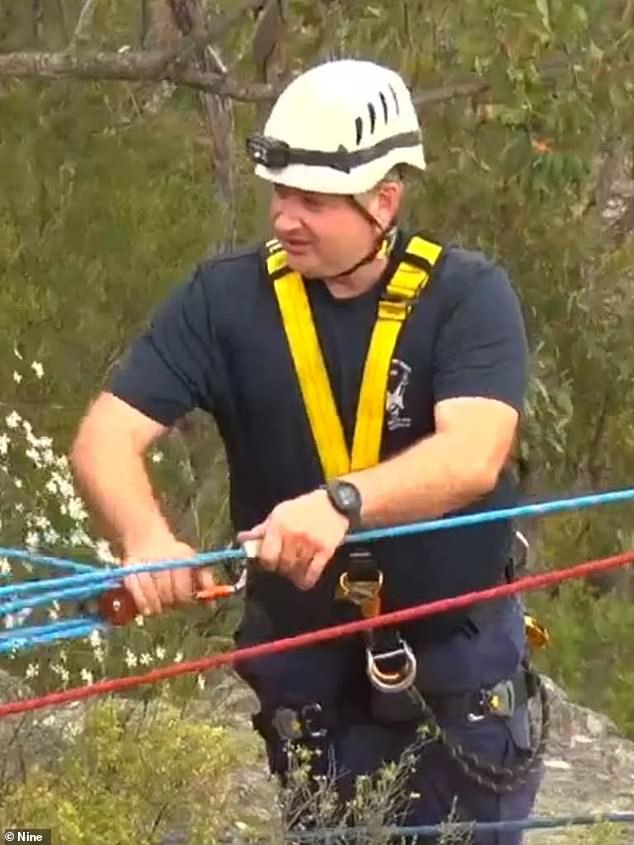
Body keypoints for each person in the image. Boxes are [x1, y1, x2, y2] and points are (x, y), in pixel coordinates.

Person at [70, 59, 542, 843]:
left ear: (384, 200)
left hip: (451, 661)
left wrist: (342, 501)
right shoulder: (226, 298)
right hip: (307, 665)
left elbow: (473, 452)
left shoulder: (464, 296)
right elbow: (106, 435)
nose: (286, 217)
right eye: (280, 193)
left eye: (314, 201)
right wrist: (146, 536)